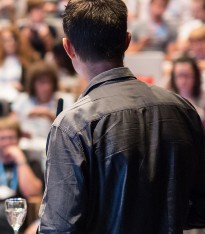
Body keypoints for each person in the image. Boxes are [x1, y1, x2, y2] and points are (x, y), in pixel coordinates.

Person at [38, 0, 205, 233]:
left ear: (69, 48)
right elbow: (199, 209)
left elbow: (58, 228)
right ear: (127, 42)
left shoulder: (72, 125)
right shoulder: (183, 110)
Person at [169, 56, 205, 127]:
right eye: (179, 76)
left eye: (187, 75)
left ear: (196, 77)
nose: (183, 81)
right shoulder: (167, 99)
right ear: (173, 78)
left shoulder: (203, 98)